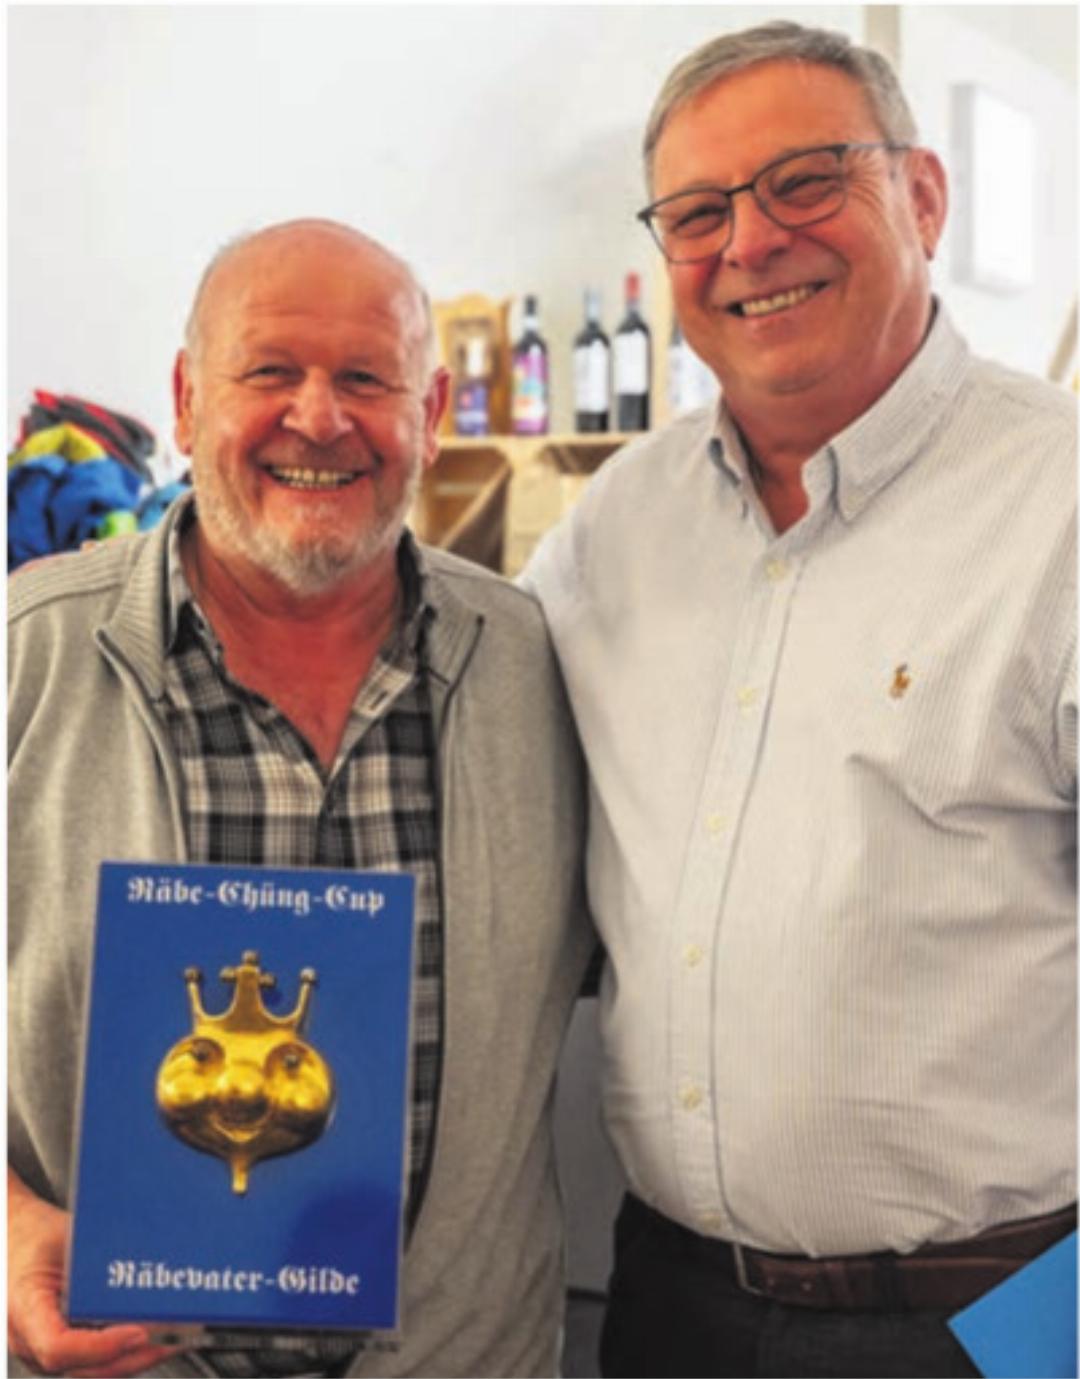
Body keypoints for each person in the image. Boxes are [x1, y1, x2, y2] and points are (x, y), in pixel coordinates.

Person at [523, 21, 1076, 1379]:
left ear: (922, 196)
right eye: (698, 213)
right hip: (672, 1304)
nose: (752, 242)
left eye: (807, 180)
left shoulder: (1058, 503)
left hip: (987, 1318)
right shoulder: (616, 526)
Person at [9, 218, 593, 1379]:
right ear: (186, 400)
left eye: (366, 379)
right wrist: (7, 1227)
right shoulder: (25, 654)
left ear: (431, 412)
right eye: (269, 370)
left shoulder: (544, 666)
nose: (319, 418)